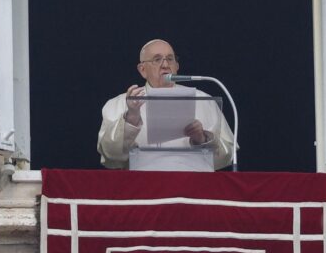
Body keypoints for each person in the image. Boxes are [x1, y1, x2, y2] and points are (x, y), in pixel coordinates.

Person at [97, 39, 235, 170]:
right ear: (142, 70)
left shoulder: (205, 101)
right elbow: (111, 156)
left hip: (192, 188)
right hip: (142, 187)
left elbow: (226, 156)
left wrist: (202, 139)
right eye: (157, 59)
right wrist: (131, 118)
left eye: (170, 59)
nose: (165, 65)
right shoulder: (119, 104)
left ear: (176, 66)